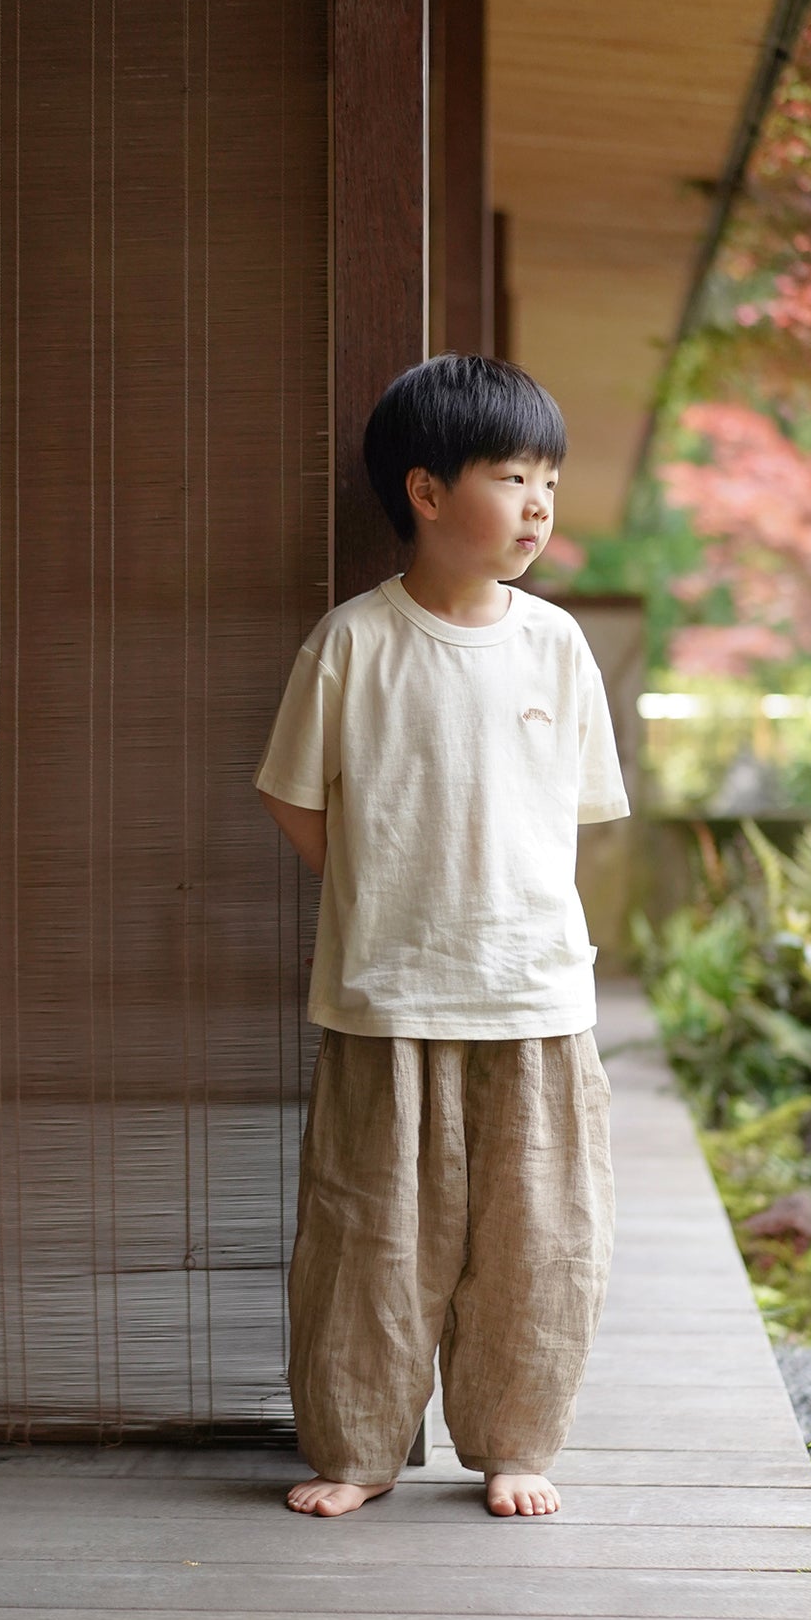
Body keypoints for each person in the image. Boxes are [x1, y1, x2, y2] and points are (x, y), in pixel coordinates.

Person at [252, 354, 630, 1519]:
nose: (536, 506)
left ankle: (516, 1442)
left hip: (532, 994)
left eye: (547, 482)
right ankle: (357, 1447)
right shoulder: (352, 643)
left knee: (538, 1237)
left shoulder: (555, 646)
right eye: (511, 476)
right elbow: (291, 796)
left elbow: (573, 810)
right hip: (387, 994)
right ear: (425, 492)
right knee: (370, 1238)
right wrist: (381, 894)